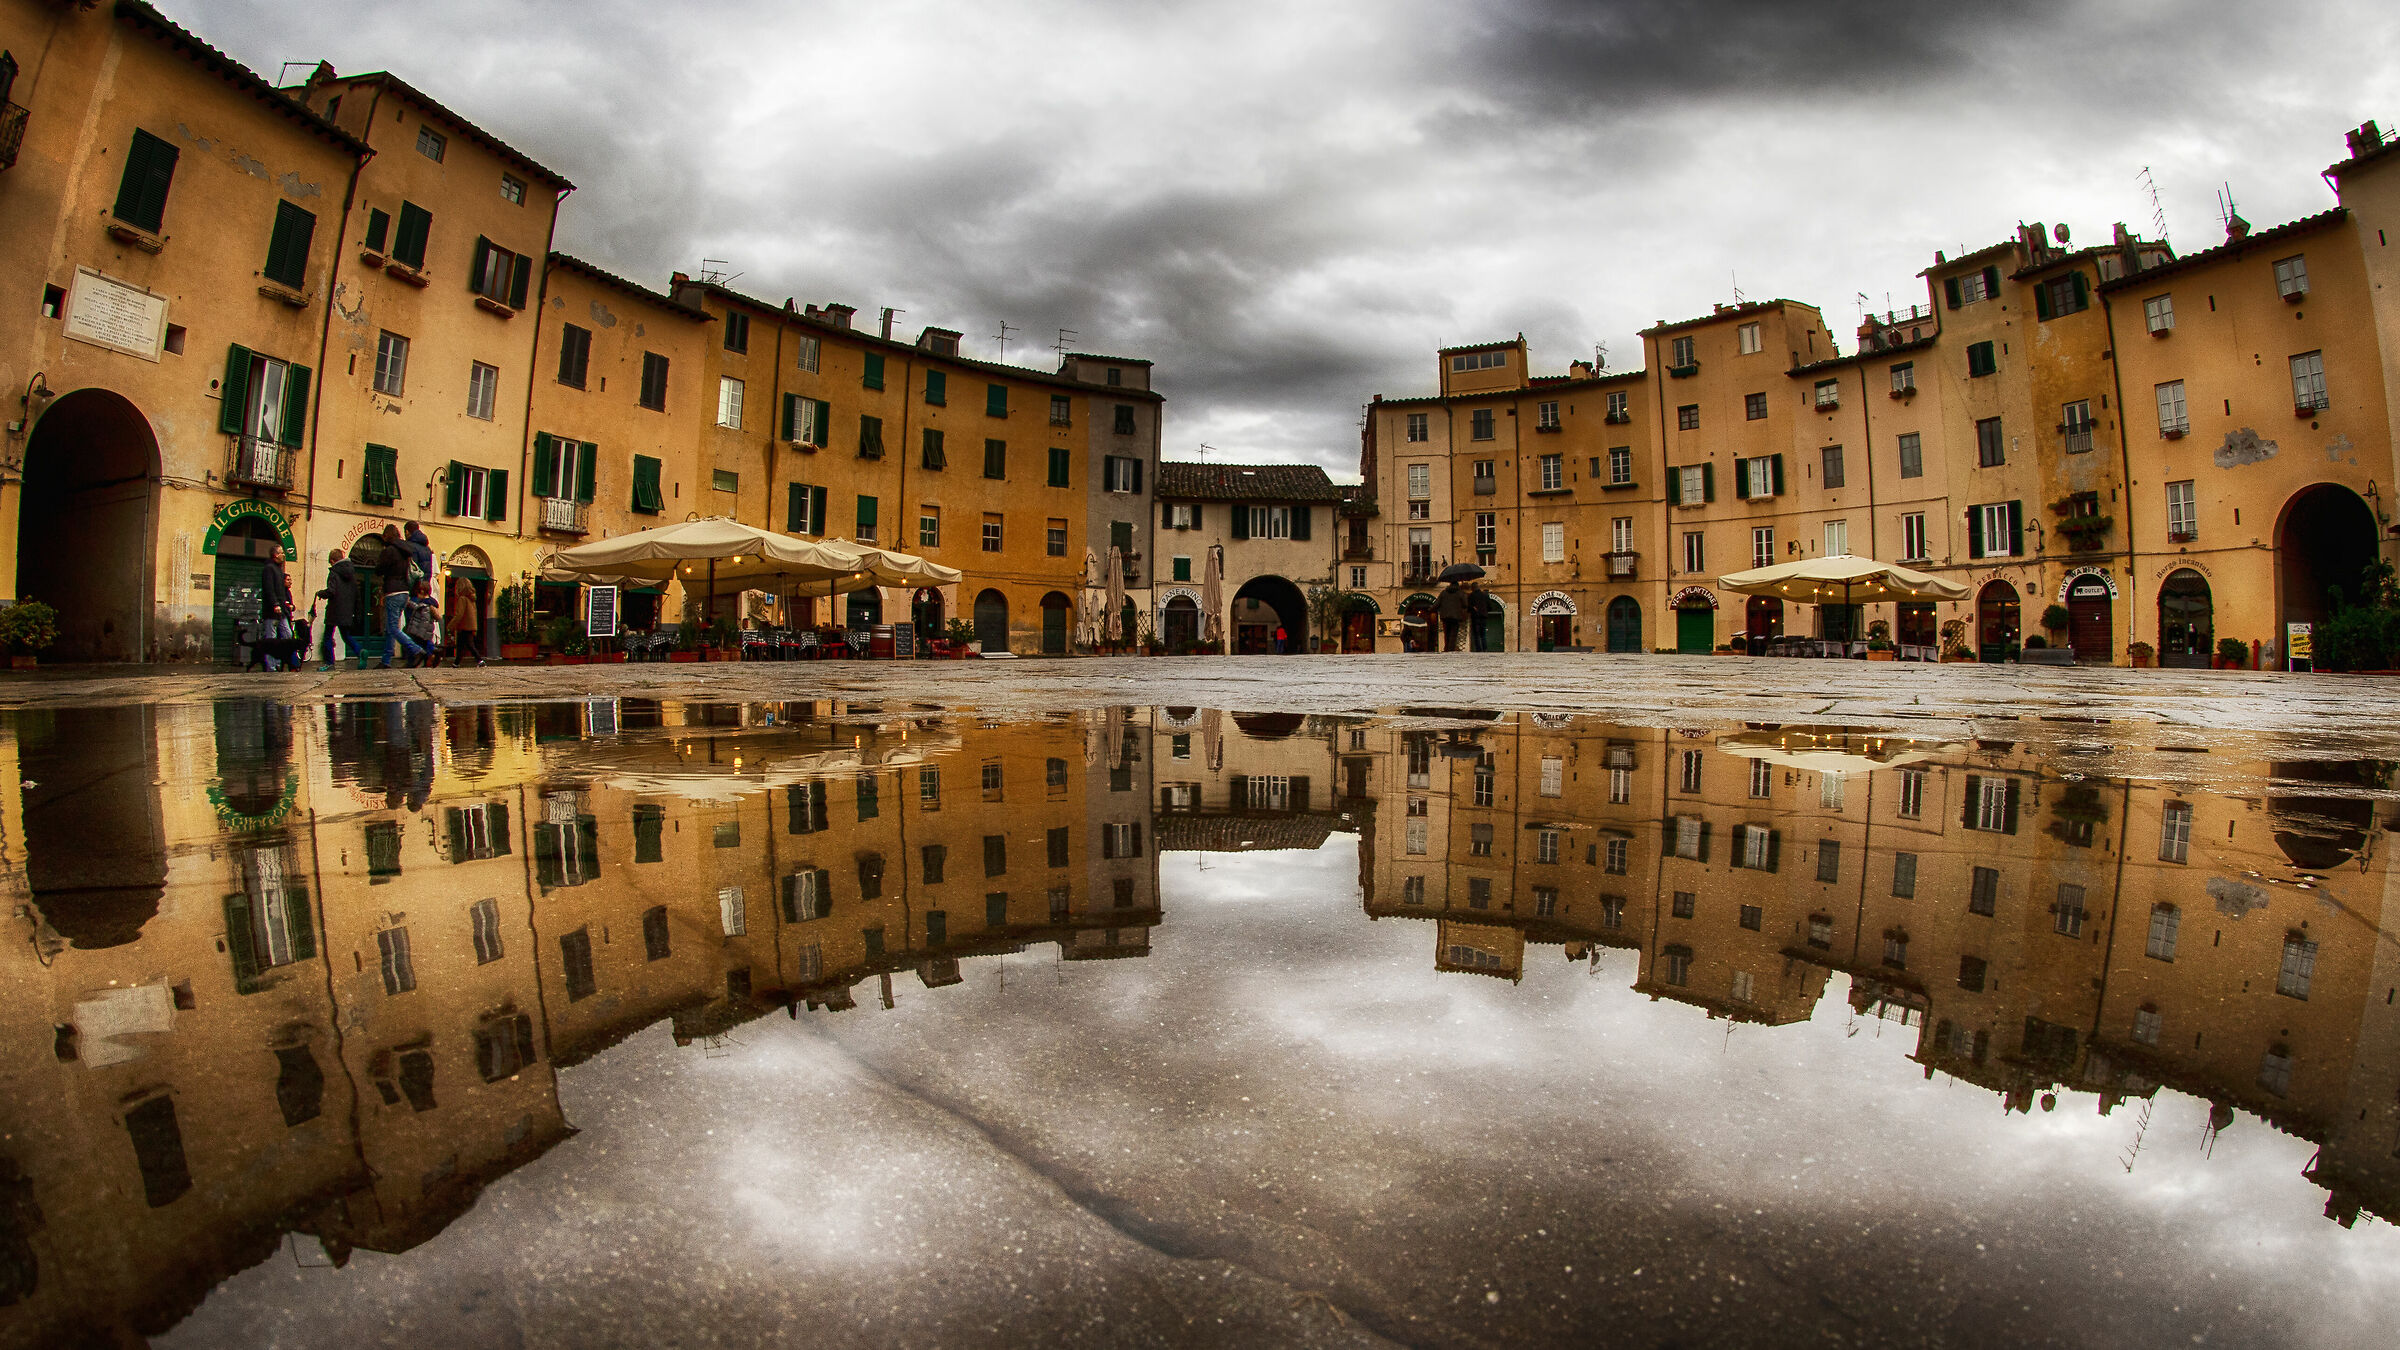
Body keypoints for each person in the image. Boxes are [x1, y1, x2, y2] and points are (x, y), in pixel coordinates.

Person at [375, 524, 428, 669]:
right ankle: (386, 660)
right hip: (404, 592)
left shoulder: (389, 551)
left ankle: (416, 650)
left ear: (386, 536)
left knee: (392, 628)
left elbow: (379, 570)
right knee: (391, 627)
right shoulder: (406, 550)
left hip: (393, 592)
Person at [250, 544, 298, 671]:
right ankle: (271, 666)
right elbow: (269, 588)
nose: (283, 554)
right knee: (271, 638)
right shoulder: (269, 569)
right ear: (275, 555)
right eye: (281, 552)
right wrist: (275, 604)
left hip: (282, 610)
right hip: (272, 610)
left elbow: (281, 589)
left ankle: (279, 661)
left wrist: (285, 604)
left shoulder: (279, 570)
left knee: (287, 634)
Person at [315, 548, 364, 670]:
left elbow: (331, 591)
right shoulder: (352, 573)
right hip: (347, 611)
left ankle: (329, 663)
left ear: (332, 560)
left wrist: (321, 593)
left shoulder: (334, 572)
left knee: (328, 636)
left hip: (334, 610)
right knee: (346, 636)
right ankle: (360, 651)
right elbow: (356, 594)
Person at [446, 574, 484, 666]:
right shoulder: (472, 599)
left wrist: (450, 626)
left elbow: (459, 614)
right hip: (470, 626)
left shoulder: (462, 599)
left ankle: (480, 660)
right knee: (462, 645)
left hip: (464, 626)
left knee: (468, 645)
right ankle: (456, 663)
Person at [404, 579, 443, 666]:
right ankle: (432, 655)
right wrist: (409, 603)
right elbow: (417, 607)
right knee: (426, 645)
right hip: (427, 630)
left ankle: (433, 652)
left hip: (422, 631)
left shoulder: (425, 604)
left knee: (422, 645)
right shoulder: (430, 602)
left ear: (421, 591)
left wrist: (420, 633)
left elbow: (425, 619)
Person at [1436, 583, 1466, 653]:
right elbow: (1465, 604)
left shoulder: (1443, 593)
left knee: (1446, 633)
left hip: (1445, 616)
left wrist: (1430, 608)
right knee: (1453, 634)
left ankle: (1446, 648)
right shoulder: (1460, 593)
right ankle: (1451, 649)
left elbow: (1437, 603)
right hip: (1456, 616)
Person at [1467, 585, 1496, 652]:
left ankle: (1478, 649)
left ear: (1472, 588)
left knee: (1476, 634)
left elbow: (1468, 607)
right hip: (1483, 617)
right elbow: (1490, 607)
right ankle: (1485, 648)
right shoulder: (1485, 595)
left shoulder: (1471, 596)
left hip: (1475, 617)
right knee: (1483, 634)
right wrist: (1485, 611)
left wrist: (1473, 609)